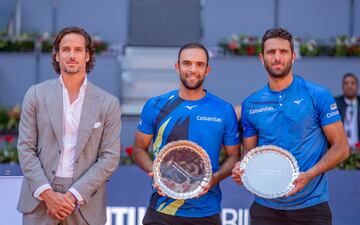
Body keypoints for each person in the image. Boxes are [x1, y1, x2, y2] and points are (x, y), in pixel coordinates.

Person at [231, 28, 349, 225]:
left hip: (311, 208)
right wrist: (241, 170)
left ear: (293, 56)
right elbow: (249, 156)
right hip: (265, 209)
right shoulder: (251, 104)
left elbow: (342, 148)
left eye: (283, 51)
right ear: (262, 58)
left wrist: (309, 175)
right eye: (271, 52)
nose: (277, 57)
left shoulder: (317, 95)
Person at [17, 26, 121, 225]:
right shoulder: (36, 95)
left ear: (87, 56)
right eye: (66, 50)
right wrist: (48, 194)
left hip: (85, 204)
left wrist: (73, 195)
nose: (72, 55)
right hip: (39, 201)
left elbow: (109, 158)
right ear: (57, 56)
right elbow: (25, 148)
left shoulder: (108, 103)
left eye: (78, 50)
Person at [132, 43, 240, 225]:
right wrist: (155, 173)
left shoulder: (223, 110)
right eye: (187, 63)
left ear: (207, 69)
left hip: (205, 212)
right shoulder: (155, 105)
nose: (193, 69)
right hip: (162, 210)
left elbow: (234, 155)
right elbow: (138, 149)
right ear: (177, 67)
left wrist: (214, 178)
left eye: (199, 64)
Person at [335, 73, 360, 150]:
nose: (349, 86)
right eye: (346, 83)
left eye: (352, 83)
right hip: (340, 151)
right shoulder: (335, 103)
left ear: (357, 86)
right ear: (342, 86)